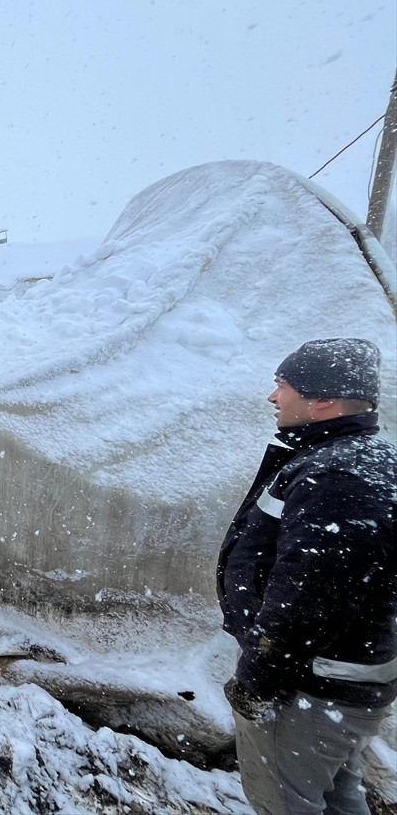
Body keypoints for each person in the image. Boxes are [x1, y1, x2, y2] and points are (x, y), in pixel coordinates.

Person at [217, 338, 396, 815]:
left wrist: (258, 676)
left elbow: (310, 596)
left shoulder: (337, 475)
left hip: (308, 686)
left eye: (283, 385)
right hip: (340, 679)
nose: (274, 397)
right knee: (338, 796)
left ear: (322, 400)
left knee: (284, 803)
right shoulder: (355, 459)